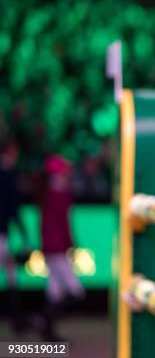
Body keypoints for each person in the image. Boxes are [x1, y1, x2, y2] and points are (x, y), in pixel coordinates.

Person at [39, 155, 84, 340]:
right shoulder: (56, 195)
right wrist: (68, 245)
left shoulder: (52, 194)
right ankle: (43, 320)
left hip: (53, 248)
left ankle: (48, 330)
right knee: (75, 292)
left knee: (55, 293)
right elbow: (61, 225)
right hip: (56, 249)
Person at [0, 140, 30, 333]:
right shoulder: (7, 177)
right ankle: (15, 320)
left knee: (12, 277)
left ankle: (16, 319)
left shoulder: (10, 175)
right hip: (1, 234)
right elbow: (13, 208)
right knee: (11, 276)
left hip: (3, 234)